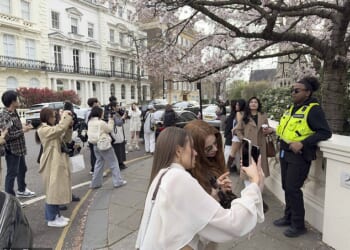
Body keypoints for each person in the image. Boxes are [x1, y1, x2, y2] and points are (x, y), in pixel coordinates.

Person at [136, 127, 265, 249]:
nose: (196, 153)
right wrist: (254, 182)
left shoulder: (163, 174)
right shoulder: (178, 178)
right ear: (178, 151)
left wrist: (213, 195)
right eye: (192, 148)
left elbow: (188, 216)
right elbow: (232, 223)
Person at [273, 76, 331, 237]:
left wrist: (303, 143)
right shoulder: (293, 108)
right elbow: (286, 130)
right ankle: (288, 217)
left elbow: (325, 132)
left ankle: (298, 225)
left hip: (299, 156)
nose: (293, 92)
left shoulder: (314, 110)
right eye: (292, 90)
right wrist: (273, 132)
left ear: (307, 92)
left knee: (293, 188)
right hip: (285, 153)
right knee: (286, 187)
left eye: (296, 90)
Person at [184, 119, 235, 209]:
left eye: (216, 143)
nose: (215, 149)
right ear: (195, 149)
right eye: (208, 148)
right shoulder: (187, 176)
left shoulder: (213, 160)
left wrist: (222, 191)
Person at [36, 108, 73, 227]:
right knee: (52, 191)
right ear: (46, 117)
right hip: (51, 163)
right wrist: (66, 117)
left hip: (56, 161)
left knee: (56, 190)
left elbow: (65, 138)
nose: (54, 118)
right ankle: (51, 219)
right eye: (52, 116)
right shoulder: (43, 129)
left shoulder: (51, 128)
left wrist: (69, 127)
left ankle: (57, 215)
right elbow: (59, 129)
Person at [0, 90, 35, 198]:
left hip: (19, 148)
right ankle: (10, 199)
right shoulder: (5, 115)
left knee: (22, 169)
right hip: (12, 150)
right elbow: (7, 135)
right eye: (17, 98)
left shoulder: (14, 112)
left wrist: (23, 127)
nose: (19, 100)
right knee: (12, 174)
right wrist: (22, 131)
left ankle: (21, 189)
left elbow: (13, 129)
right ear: (12, 101)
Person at [87, 106, 127, 189]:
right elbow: (109, 129)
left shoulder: (90, 122)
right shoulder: (101, 122)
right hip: (104, 145)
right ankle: (118, 182)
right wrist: (111, 120)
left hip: (95, 145)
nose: (102, 114)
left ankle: (95, 183)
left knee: (99, 163)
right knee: (113, 162)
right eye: (101, 113)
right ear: (99, 113)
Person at [235, 97, 270, 179]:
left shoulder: (263, 115)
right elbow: (238, 130)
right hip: (248, 146)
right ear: (249, 104)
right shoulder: (245, 116)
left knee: (260, 171)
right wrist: (244, 139)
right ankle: (249, 189)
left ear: (258, 104)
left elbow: (267, 128)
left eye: (255, 102)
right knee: (248, 171)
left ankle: (258, 190)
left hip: (261, 145)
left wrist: (267, 130)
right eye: (251, 102)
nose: (253, 104)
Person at [226, 99, 246, 172]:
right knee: (241, 154)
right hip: (243, 136)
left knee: (232, 153)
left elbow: (240, 124)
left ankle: (226, 169)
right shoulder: (246, 113)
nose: (236, 106)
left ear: (241, 105)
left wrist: (233, 129)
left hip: (237, 136)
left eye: (238, 105)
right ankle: (242, 171)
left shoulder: (238, 113)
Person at [110, 102, 128, 170]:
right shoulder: (113, 114)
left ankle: (121, 163)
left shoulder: (117, 113)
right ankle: (119, 164)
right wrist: (123, 117)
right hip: (116, 134)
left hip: (119, 133)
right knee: (118, 149)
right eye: (117, 106)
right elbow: (118, 123)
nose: (119, 107)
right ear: (113, 107)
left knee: (121, 148)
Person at [85, 97, 100, 174]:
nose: (98, 103)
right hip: (95, 135)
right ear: (94, 103)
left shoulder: (87, 112)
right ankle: (96, 169)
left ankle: (93, 168)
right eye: (97, 102)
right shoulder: (94, 112)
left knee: (93, 153)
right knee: (96, 153)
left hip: (90, 135)